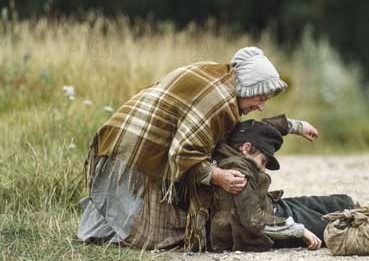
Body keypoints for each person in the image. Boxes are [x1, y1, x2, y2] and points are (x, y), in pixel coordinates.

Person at [77, 46, 319, 250]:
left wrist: (294, 126)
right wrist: (218, 176)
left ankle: (98, 232)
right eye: (261, 98)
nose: (261, 106)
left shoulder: (222, 79)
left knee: (146, 212)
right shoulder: (219, 101)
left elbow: (246, 130)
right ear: (250, 88)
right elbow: (183, 154)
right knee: (154, 228)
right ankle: (106, 235)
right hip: (132, 151)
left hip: (128, 141)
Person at [209, 117, 355, 252]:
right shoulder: (237, 171)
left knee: (341, 202)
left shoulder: (232, 144)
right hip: (267, 226)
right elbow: (253, 219)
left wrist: (298, 127)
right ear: (246, 148)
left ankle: (354, 209)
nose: (263, 168)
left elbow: (263, 127)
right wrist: (299, 231)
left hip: (271, 206)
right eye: (263, 161)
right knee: (341, 228)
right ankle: (364, 223)